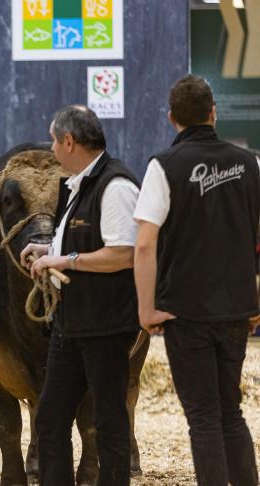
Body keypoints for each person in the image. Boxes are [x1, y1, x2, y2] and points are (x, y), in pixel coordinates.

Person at [133, 74, 259, 486]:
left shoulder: (163, 166)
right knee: (230, 410)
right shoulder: (250, 163)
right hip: (238, 308)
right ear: (213, 113)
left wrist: (145, 307)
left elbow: (145, 246)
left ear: (171, 119)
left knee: (203, 416)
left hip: (184, 311)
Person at [21, 105, 140, 486]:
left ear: (69, 141)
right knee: (51, 417)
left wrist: (67, 260)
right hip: (71, 325)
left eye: (54, 140)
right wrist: (47, 253)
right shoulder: (79, 184)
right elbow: (83, 243)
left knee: (108, 421)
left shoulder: (116, 186)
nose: (52, 148)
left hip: (104, 324)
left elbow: (123, 254)